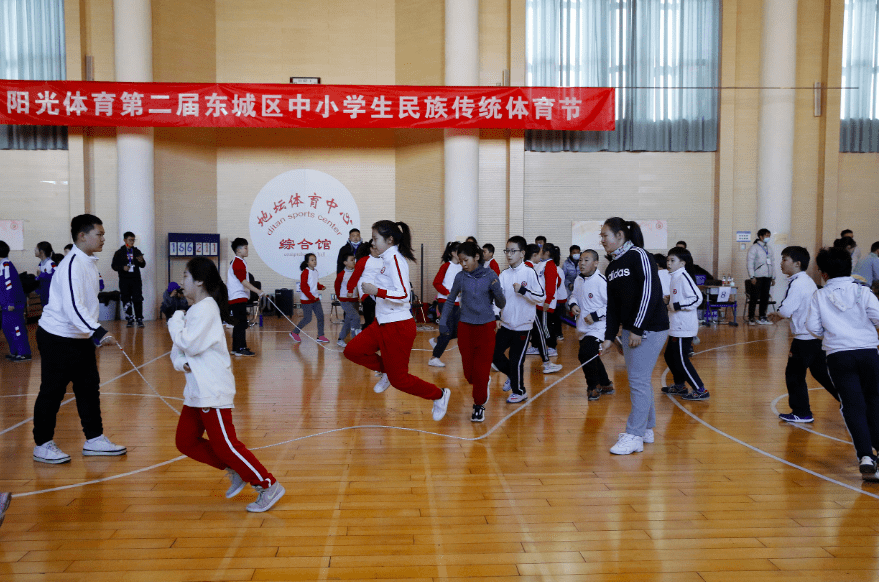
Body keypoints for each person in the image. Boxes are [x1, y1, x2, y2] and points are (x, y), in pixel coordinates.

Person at [170, 257, 285, 512]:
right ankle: (233, 468)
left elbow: (187, 344)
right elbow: (178, 351)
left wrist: (174, 321)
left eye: (186, 276)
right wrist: (182, 363)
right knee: (185, 441)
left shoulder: (206, 309)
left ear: (199, 281)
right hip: (196, 390)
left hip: (212, 390)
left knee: (227, 446)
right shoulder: (193, 310)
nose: (182, 282)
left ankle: (268, 484)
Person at [32, 214, 125, 464]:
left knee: (88, 388)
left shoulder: (88, 262)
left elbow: (84, 304)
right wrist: (98, 331)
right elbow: (73, 306)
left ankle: (94, 439)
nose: (103, 238)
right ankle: (42, 444)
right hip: (57, 337)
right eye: (100, 234)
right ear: (82, 236)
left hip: (79, 337)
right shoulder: (72, 263)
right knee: (52, 392)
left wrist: (91, 334)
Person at [343, 220, 451, 421]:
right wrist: (371, 291)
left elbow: (403, 295)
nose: (372, 243)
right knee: (352, 351)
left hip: (398, 326)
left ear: (390, 239)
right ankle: (386, 370)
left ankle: (440, 394)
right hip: (382, 322)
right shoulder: (385, 259)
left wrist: (376, 290)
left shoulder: (396, 260)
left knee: (400, 380)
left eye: (375, 238)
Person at [805, 246, 879, 482]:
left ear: (823, 273)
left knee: (852, 405)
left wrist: (833, 332)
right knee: (875, 402)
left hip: (839, 356)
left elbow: (813, 328)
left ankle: (866, 456)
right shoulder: (862, 292)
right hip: (868, 352)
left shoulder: (819, 295)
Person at [599, 217, 670, 455]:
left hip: (651, 327)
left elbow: (650, 293)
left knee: (638, 381)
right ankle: (647, 428)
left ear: (620, 236)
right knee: (640, 379)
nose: (602, 240)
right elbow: (613, 306)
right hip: (631, 329)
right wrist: (610, 336)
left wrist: (638, 328)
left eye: (605, 235)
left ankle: (634, 435)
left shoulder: (640, 255)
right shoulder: (611, 267)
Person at [767, 246, 838, 423]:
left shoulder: (798, 283)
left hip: (804, 339)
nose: (781, 263)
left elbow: (786, 308)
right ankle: (853, 403)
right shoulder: (806, 281)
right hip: (814, 338)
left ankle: (802, 412)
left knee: (794, 374)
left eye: (785, 259)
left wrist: (778, 314)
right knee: (822, 374)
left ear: (797, 263)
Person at [439, 242, 505, 422]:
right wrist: (443, 322)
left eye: (465, 260)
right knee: (469, 373)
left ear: (477, 257)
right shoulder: (461, 277)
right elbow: (451, 299)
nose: (463, 264)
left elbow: (501, 303)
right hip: (465, 328)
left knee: (481, 371)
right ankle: (482, 384)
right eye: (460, 261)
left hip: (486, 328)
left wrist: (497, 289)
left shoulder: (491, 275)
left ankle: (478, 405)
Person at [493, 236, 546, 404]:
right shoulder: (504, 274)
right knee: (493, 354)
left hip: (523, 327)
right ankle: (511, 375)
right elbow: (497, 298)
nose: (509, 254)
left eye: (513, 251)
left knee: (516, 360)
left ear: (522, 253)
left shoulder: (529, 273)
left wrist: (523, 290)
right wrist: (496, 316)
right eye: (507, 250)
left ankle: (520, 391)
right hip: (506, 325)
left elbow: (541, 297)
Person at [661, 247, 708, 400]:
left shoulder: (683, 276)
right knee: (669, 356)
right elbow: (682, 296)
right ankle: (680, 385)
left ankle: (700, 389)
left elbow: (697, 298)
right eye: (667, 260)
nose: (668, 263)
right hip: (675, 326)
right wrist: (670, 299)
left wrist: (677, 305)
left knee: (681, 359)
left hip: (684, 327)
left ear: (682, 263)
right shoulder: (674, 277)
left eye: (672, 260)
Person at [568, 249, 613, 401]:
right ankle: (606, 383)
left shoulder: (601, 281)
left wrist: (595, 315)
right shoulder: (578, 279)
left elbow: (612, 306)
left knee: (585, 354)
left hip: (598, 327)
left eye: (586, 260)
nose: (582, 263)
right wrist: (573, 304)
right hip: (582, 326)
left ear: (595, 263)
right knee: (592, 355)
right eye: (580, 260)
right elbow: (574, 296)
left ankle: (593, 387)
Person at [227, 238, 265, 357]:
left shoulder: (240, 262)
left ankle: (236, 348)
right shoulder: (237, 263)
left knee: (240, 323)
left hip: (239, 297)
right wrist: (258, 291)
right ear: (238, 250)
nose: (247, 249)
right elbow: (243, 281)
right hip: (237, 297)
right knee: (241, 323)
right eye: (245, 247)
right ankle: (240, 348)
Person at [429, 241, 462, 367]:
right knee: (447, 332)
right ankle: (434, 358)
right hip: (445, 303)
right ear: (453, 253)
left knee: (458, 331)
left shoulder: (462, 267)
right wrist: (448, 293)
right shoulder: (446, 266)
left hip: (457, 304)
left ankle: (436, 340)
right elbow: (436, 283)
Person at [0, 241, 32, 362]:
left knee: (17, 329)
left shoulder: (6, 265)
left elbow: (9, 285)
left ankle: (24, 353)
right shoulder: (2, 265)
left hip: (13, 305)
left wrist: (10, 302)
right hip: (5, 305)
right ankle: (15, 352)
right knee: (7, 328)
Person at [289, 253, 328, 343]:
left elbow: (314, 284)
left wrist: (321, 286)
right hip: (307, 300)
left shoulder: (315, 271)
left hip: (315, 299)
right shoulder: (305, 272)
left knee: (321, 316)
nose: (314, 262)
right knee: (308, 318)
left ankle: (320, 336)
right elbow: (304, 287)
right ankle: (294, 332)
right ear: (307, 262)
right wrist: (311, 297)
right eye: (312, 260)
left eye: (315, 260)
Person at [111, 231, 147, 328]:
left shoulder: (136, 251)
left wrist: (141, 261)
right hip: (124, 280)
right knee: (126, 299)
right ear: (125, 240)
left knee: (138, 299)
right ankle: (130, 318)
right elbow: (114, 266)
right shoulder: (119, 253)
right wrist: (123, 267)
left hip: (136, 280)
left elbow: (143, 265)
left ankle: (139, 318)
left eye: (133, 240)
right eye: (130, 240)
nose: (132, 242)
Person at [347, 240, 381, 328]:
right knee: (370, 318)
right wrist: (350, 289)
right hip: (366, 292)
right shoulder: (364, 260)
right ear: (370, 248)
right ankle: (366, 336)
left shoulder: (385, 260)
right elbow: (355, 276)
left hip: (380, 292)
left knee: (380, 319)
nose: (377, 250)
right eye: (374, 248)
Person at [746, 228, 775, 325]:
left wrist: (773, 277)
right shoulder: (754, 247)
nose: (768, 238)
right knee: (754, 298)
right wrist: (752, 276)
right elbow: (750, 263)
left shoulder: (769, 248)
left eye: (769, 236)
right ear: (761, 237)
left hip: (768, 276)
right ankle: (751, 317)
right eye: (766, 236)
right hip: (757, 276)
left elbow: (772, 263)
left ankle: (762, 316)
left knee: (765, 297)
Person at [334, 250, 361, 347]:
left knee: (348, 321)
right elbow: (337, 287)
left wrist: (359, 297)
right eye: (351, 260)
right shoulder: (341, 274)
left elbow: (358, 287)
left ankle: (340, 339)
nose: (354, 261)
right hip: (345, 301)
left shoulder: (357, 273)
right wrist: (340, 298)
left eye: (354, 260)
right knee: (356, 317)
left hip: (355, 300)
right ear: (345, 263)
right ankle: (355, 340)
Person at [34, 241, 56, 307]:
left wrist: (42, 275)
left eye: (36, 249)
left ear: (42, 252)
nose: (34, 250)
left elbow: (56, 277)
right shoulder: (40, 264)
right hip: (43, 294)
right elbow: (40, 279)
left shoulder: (51, 264)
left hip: (51, 296)